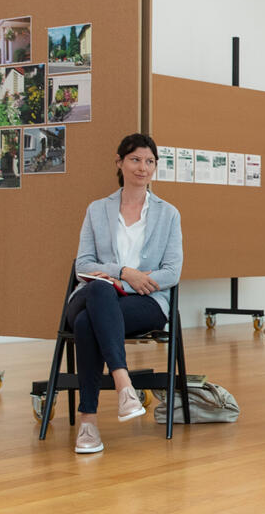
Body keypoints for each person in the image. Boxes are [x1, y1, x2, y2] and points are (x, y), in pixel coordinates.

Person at [69, 133, 183, 454]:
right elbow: (84, 265)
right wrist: (125, 273)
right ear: (119, 163)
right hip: (94, 293)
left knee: (85, 325)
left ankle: (88, 422)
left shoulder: (168, 214)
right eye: (135, 159)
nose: (142, 168)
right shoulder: (97, 210)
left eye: (149, 161)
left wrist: (127, 284)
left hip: (145, 302)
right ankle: (124, 384)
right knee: (100, 291)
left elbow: (172, 271)